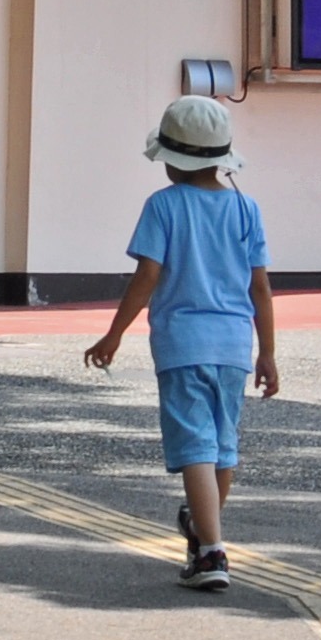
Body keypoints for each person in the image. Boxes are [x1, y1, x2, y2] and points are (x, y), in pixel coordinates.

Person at [80, 94, 279, 592]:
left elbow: (148, 274)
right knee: (222, 446)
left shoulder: (163, 206)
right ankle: (201, 527)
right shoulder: (245, 208)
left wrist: (115, 332)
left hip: (182, 344)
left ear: (173, 160)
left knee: (194, 445)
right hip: (234, 344)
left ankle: (212, 551)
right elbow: (260, 287)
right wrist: (268, 351)